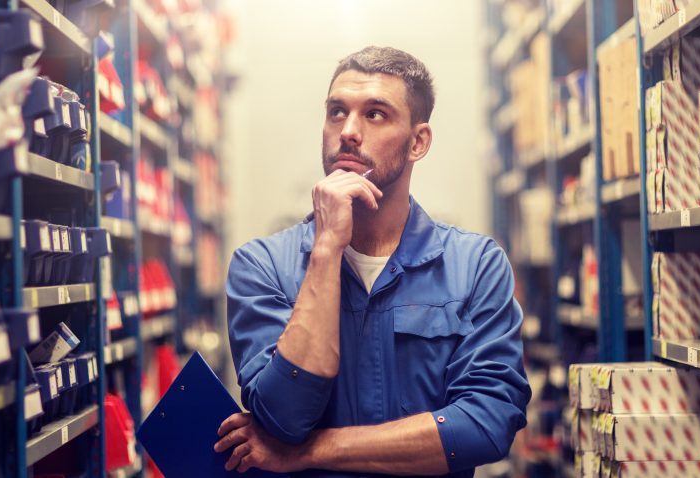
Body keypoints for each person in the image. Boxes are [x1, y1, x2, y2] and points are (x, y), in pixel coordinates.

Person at [217, 46, 531, 477]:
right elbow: (282, 417)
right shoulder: (262, 266)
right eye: (336, 111)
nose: (348, 131)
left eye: (375, 114)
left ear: (418, 142)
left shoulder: (474, 266)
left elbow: (486, 424)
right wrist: (326, 250)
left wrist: (309, 452)